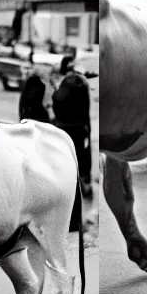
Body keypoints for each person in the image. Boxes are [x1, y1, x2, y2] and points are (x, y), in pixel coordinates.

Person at [52, 52, 92, 200]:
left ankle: (65, 186)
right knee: (81, 155)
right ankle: (84, 184)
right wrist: (87, 128)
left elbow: (55, 104)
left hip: (62, 127)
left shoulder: (60, 84)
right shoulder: (81, 83)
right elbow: (86, 109)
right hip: (79, 127)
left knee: (64, 156)